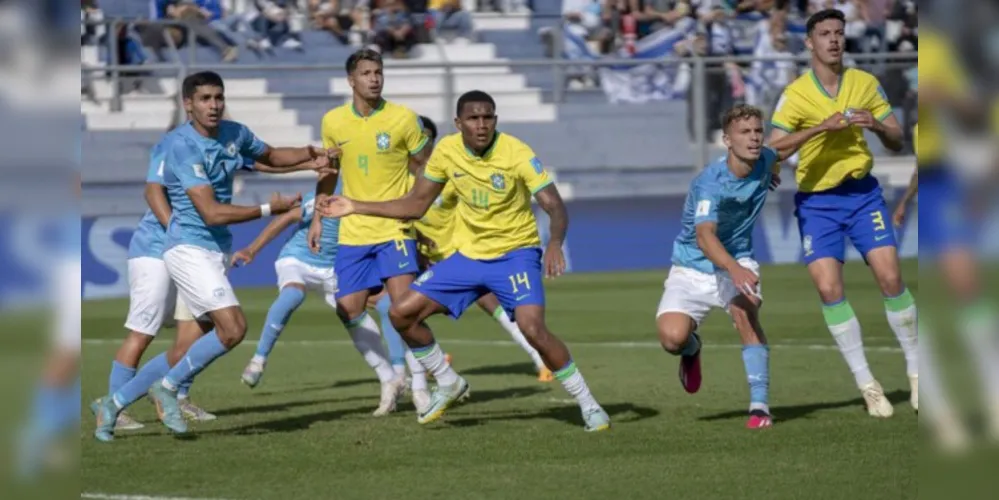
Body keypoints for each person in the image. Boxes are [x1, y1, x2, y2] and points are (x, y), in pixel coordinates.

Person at [317, 90, 611, 432]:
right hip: (468, 258)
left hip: (515, 255)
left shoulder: (516, 151)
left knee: (533, 329)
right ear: (458, 124)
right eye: (473, 118)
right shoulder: (446, 152)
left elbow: (554, 205)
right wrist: (355, 205)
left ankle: (589, 405)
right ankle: (448, 381)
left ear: (496, 120)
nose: (481, 124)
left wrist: (555, 243)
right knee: (401, 313)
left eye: (488, 117)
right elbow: (415, 205)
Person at [93, 71, 334, 441]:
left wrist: (309, 155)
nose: (214, 105)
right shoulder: (179, 145)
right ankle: (168, 388)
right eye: (205, 98)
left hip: (213, 247)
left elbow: (267, 156)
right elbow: (204, 210)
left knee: (189, 342)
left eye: (218, 97)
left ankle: (113, 404)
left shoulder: (234, 133)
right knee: (230, 328)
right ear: (187, 104)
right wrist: (269, 209)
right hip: (183, 245)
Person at [659, 104, 850, 429]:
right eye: (744, 133)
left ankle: (759, 406)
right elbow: (705, 237)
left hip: (739, 258)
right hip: (692, 266)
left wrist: (823, 128)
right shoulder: (710, 182)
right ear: (727, 140)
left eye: (757, 131)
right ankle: (692, 348)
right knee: (671, 339)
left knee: (745, 311)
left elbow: (785, 146)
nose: (753, 138)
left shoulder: (764, 159)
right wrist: (732, 269)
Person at [768, 8, 916, 418]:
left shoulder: (865, 83)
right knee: (829, 290)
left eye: (839, 32)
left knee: (890, 277)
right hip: (817, 203)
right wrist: (819, 129)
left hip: (863, 194)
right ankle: (867, 385)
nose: (834, 40)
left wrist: (878, 126)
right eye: (825, 34)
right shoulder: (796, 94)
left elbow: (897, 140)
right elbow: (774, 147)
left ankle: (918, 372)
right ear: (809, 43)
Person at [309, 49, 432, 417]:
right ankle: (388, 377)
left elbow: (428, 165)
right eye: (366, 73)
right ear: (351, 80)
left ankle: (424, 387)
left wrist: (416, 207)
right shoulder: (333, 121)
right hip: (353, 229)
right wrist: (318, 216)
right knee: (347, 308)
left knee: (404, 309)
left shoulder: (403, 118)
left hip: (394, 225)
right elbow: (330, 172)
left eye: (378, 72)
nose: (374, 78)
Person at [892, 24, 999, 449]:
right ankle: (942, 415)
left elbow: (975, 108)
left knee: (964, 284)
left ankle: (993, 399)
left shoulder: (938, 48)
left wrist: (946, 97)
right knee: (929, 306)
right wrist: (904, 202)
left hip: (946, 182)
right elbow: (911, 144)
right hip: (929, 184)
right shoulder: (910, 71)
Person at [405, 115, 554, 382]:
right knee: (397, 308)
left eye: (427, 138)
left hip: (458, 252)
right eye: (417, 139)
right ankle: (426, 371)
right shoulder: (403, 179)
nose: (422, 145)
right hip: (418, 255)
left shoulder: (448, 171)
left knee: (497, 307)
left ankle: (540, 360)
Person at [234, 184, 404, 417]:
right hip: (299, 259)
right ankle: (258, 360)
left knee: (384, 304)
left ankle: (393, 377)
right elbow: (287, 218)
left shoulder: (371, 196)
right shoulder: (330, 192)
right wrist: (252, 249)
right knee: (293, 294)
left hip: (335, 269)